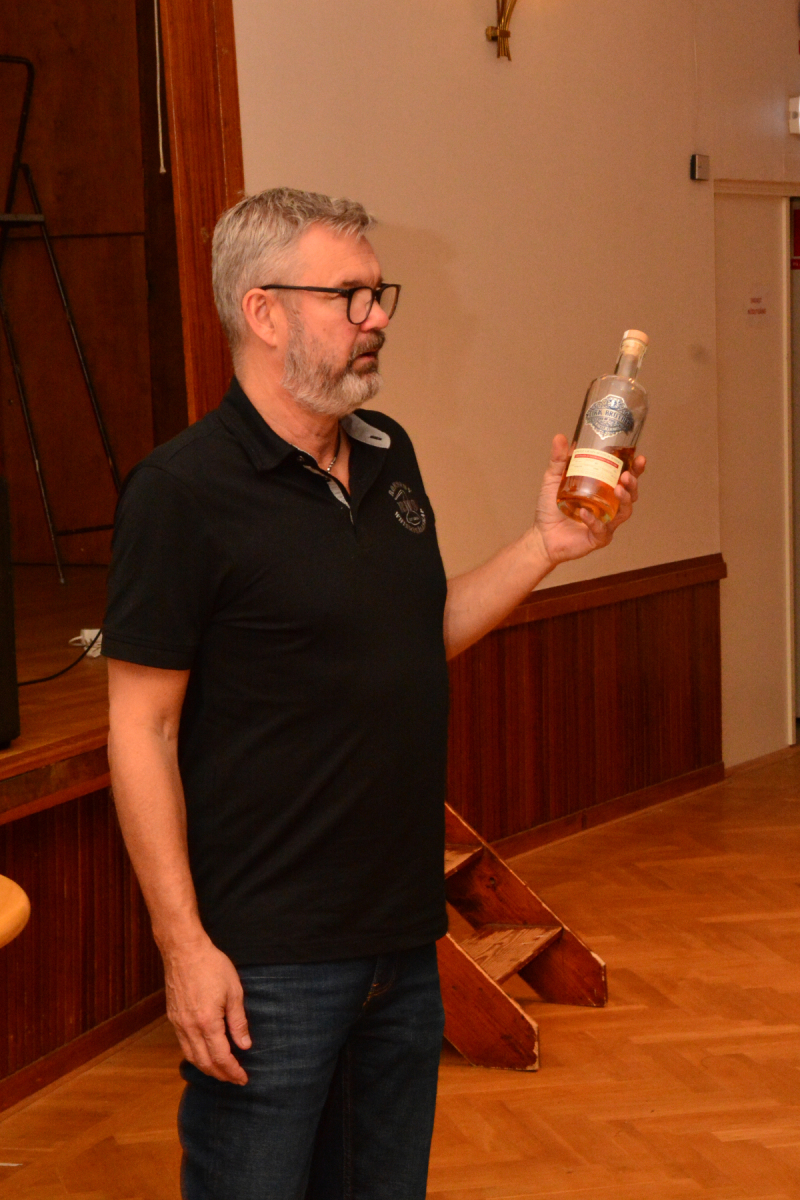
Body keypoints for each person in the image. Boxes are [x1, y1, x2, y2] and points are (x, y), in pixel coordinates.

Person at [103, 187, 644, 1200]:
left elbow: (414, 634)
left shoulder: (389, 451)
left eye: (378, 292)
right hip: (266, 961)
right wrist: (184, 948)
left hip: (402, 936)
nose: (376, 316)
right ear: (264, 312)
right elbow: (141, 728)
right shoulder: (182, 492)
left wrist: (546, 545)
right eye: (347, 295)